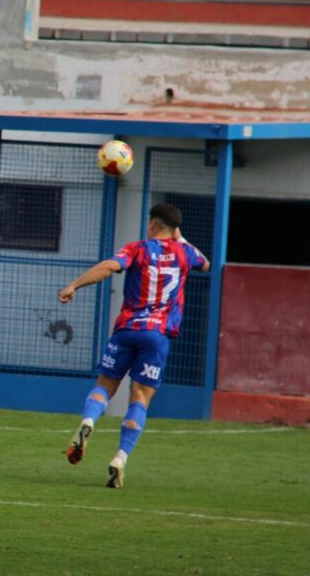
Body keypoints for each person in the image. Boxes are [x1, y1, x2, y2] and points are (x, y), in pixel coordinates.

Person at [58, 203, 209, 488]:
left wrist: (74, 285)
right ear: (175, 230)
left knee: (105, 385)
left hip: (127, 330)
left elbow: (108, 267)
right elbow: (206, 262)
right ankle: (120, 458)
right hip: (158, 336)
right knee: (140, 396)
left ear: (152, 224)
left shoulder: (137, 248)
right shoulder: (186, 253)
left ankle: (89, 421)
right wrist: (180, 237)